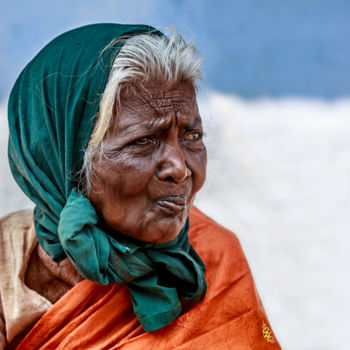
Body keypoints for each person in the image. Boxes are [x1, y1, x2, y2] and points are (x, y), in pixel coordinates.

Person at [0, 23, 281, 349]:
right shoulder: (8, 261)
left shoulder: (214, 258)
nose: (180, 168)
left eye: (191, 136)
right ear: (63, 158)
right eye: (145, 140)